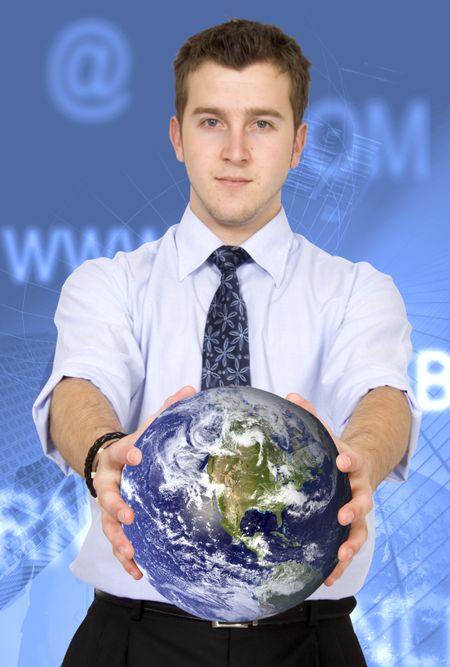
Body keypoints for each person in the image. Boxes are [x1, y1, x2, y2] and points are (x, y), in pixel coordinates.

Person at [32, 18, 421, 667]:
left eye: (262, 123)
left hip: (308, 638)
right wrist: (105, 451)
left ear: (298, 144)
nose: (236, 150)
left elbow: (383, 395)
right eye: (212, 121)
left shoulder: (359, 290)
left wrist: (359, 461)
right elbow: (82, 383)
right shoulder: (109, 284)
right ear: (177, 136)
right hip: (132, 637)